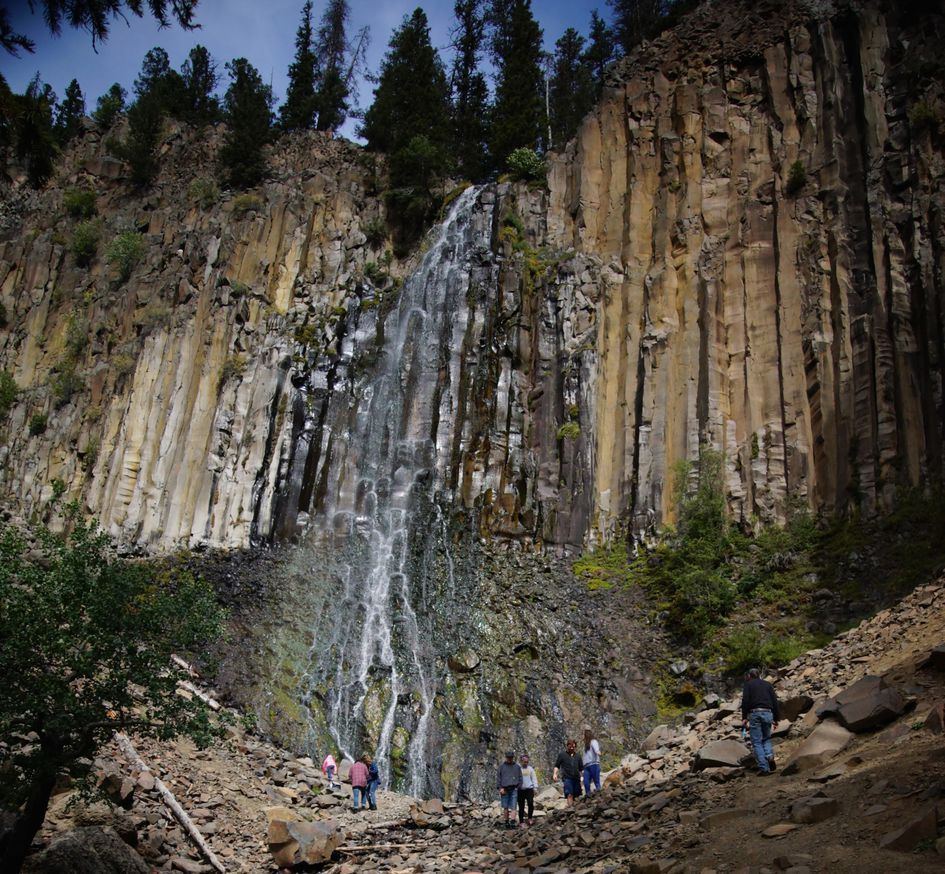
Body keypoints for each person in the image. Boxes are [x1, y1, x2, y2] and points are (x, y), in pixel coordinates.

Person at [741, 667, 780, 775]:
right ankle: (769, 756)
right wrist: (776, 719)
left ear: (749, 676)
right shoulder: (767, 684)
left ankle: (764, 768)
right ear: (759, 675)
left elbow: (745, 701)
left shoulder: (748, 685)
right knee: (766, 738)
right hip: (768, 713)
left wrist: (744, 717)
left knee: (757, 742)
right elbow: (774, 701)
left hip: (755, 713)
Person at [552, 738, 583, 807]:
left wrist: (582, 778)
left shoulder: (578, 756)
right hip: (567, 778)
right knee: (569, 794)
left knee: (577, 795)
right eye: (570, 746)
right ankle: (570, 809)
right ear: (567, 746)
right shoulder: (562, 755)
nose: (572, 748)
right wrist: (555, 774)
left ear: (575, 747)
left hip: (577, 779)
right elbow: (557, 765)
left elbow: (581, 768)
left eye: (573, 747)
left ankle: (575, 810)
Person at [496, 750, 522, 829]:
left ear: (513, 758)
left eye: (511, 758)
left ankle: (513, 822)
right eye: (508, 757)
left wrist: (518, 787)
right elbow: (498, 778)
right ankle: (506, 822)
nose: (510, 759)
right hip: (504, 789)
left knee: (514, 806)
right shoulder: (501, 767)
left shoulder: (517, 767)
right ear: (506, 757)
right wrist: (500, 788)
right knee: (505, 807)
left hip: (514, 788)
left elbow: (520, 778)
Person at [518, 753, 538, 826]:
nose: (526, 763)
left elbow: (534, 778)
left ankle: (530, 818)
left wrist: (535, 787)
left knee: (530, 803)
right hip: (520, 790)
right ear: (521, 761)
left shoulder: (530, 769)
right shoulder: (518, 769)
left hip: (529, 789)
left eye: (527, 762)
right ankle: (521, 821)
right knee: (521, 806)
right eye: (524, 762)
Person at [581, 725, 602, 795]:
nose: (582, 736)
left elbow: (596, 750)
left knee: (596, 781)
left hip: (594, 764)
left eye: (583, 734)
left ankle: (600, 795)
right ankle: (588, 796)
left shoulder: (593, 742)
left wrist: (598, 752)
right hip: (586, 767)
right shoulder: (585, 745)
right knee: (586, 783)